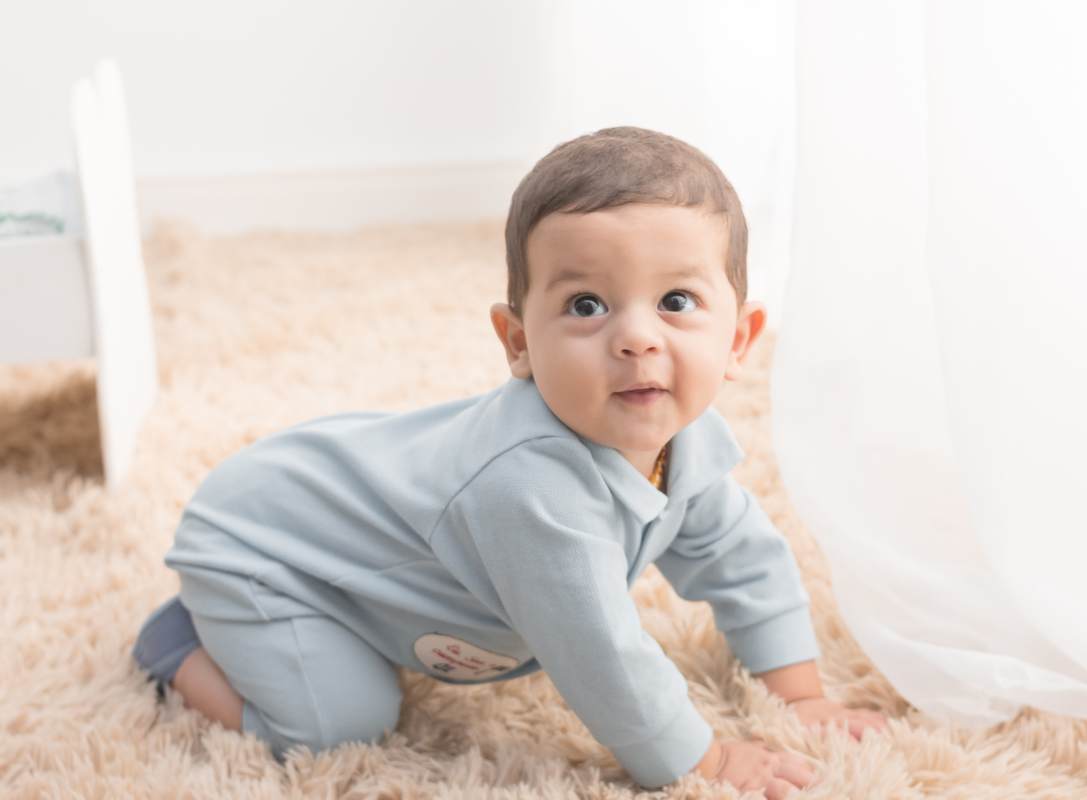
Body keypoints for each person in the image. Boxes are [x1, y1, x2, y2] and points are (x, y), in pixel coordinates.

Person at [133, 127, 888, 797]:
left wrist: (801, 696)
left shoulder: (685, 440)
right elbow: (601, 657)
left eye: (677, 301)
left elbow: (743, 559)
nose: (637, 337)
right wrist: (706, 759)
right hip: (265, 547)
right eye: (587, 305)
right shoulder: (527, 488)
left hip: (358, 531)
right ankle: (179, 643)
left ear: (739, 340)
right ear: (519, 342)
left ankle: (319, 623)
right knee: (340, 725)